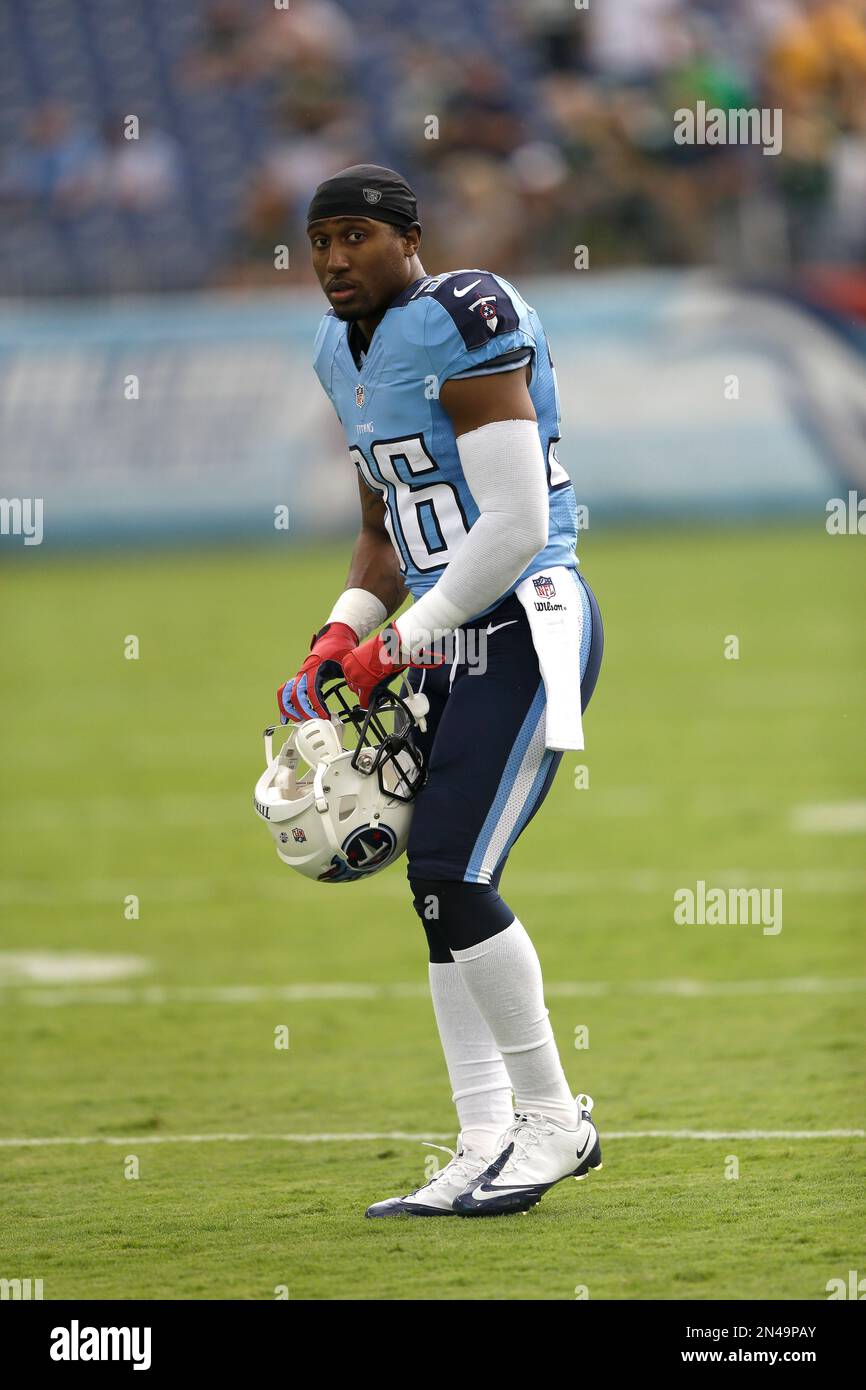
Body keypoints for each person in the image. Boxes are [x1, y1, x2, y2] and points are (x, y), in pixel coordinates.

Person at [277, 164, 604, 1218]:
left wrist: (398, 642)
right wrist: (343, 633)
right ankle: (480, 1136)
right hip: (439, 638)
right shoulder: (340, 351)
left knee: (451, 868)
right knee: (434, 895)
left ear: (408, 237)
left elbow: (507, 526)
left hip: (525, 617)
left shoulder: (462, 313)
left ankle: (556, 1123)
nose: (333, 259)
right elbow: (385, 534)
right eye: (319, 240)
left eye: (354, 236)